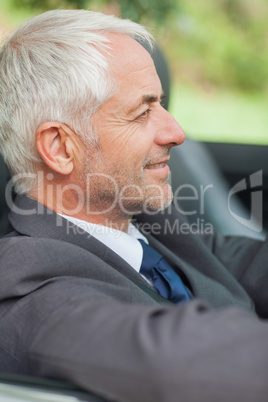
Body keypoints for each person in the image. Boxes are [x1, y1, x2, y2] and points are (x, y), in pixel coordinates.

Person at [0, 9, 267, 402]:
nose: (176, 132)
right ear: (60, 148)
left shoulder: (145, 223)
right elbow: (183, 363)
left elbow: (245, 261)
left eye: (160, 104)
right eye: (142, 112)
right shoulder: (29, 288)